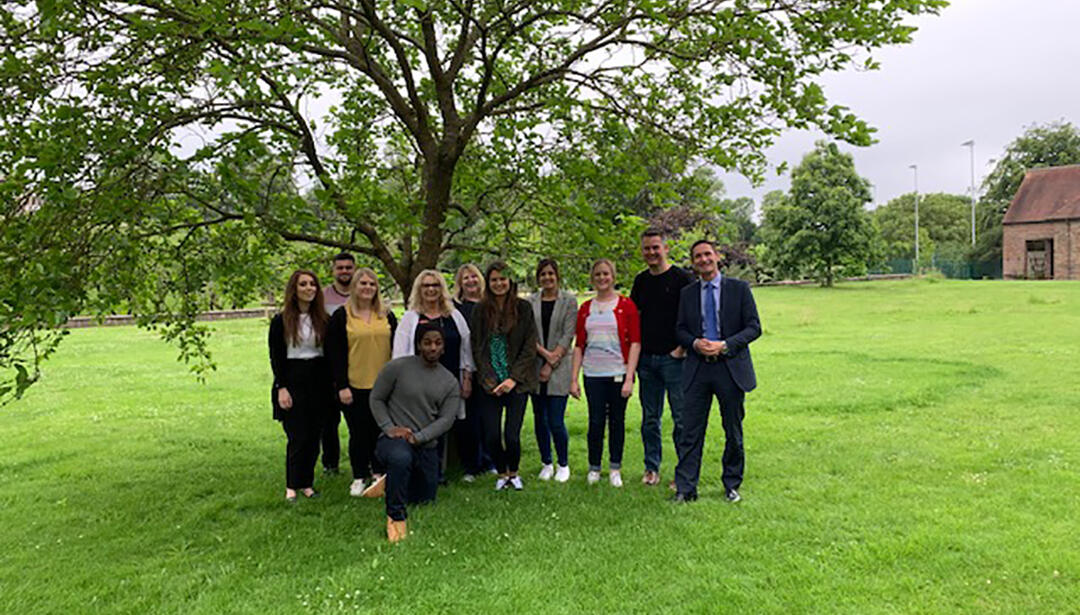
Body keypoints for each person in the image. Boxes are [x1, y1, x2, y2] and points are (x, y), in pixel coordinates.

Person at [673, 239, 761, 503]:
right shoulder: (687, 293)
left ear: (717, 256)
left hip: (730, 368)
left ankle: (732, 484)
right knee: (690, 431)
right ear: (693, 262)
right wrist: (695, 343)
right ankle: (686, 489)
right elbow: (679, 329)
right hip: (698, 369)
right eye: (697, 256)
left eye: (707, 254)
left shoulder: (739, 289)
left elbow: (754, 327)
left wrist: (725, 345)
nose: (703, 260)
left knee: (732, 429)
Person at [370, 323, 461, 543]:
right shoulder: (397, 368)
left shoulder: (449, 381)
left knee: (424, 499)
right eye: (427, 342)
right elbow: (376, 398)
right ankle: (396, 517)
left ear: (443, 348)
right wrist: (389, 428)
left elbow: (446, 420)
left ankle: (390, 481)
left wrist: (418, 437)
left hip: (425, 445)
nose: (432, 347)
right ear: (418, 344)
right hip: (394, 441)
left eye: (438, 343)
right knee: (401, 457)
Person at [392, 270, 473, 482]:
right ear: (419, 290)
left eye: (435, 285)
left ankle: (439, 471)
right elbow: (399, 354)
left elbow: (466, 349)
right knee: (424, 426)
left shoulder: (455, 316)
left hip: (450, 382)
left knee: (444, 424)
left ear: (442, 289)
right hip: (420, 383)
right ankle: (424, 472)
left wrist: (467, 378)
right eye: (426, 286)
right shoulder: (411, 319)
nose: (431, 290)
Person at [630, 230, 695, 487]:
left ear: (666, 249)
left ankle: (683, 472)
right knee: (649, 419)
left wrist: (681, 348)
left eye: (655, 248)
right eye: (646, 249)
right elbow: (635, 319)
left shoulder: (683, 279)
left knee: (681, 418)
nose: (651, 253)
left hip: (675, 360)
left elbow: (694, 316)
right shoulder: (641, 281)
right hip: (647, 360)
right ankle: (651, 468)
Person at [325, 268, 398, 497]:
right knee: (359, 433)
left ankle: (378, 474)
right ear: (354, 287)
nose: (367, 288)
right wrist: (342, 385)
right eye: (363, 284)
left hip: (384, 385)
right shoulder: (341, 316)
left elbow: (397, 349)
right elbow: (334, 353)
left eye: (372, 284)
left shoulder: (386, 314)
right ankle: (359, 476)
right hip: (354, 386)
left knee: (381, 431)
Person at [569, 259, 641, 488]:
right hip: (593, 374)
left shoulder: (626, 305)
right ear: (592, 278)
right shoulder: (585, 309)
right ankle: (594, 468)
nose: (602, 278)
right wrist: (574, 379)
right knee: (596, 422)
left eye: (606, 274)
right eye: (598, 274)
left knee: (617, 422)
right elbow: (579, 345)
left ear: (613, 276)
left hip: (618, 373)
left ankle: (615, 468)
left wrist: (629, 377)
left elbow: (636, 343)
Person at [470, 261, 539, 491]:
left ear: (510, 282)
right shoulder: (480, 310)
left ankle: (514, 473)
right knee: (491, 434)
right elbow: (477, 347)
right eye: (494, 280)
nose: (499, 284)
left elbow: (530, 347)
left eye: (503, 279)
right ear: (488, 284)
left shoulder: (523, 308)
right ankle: (501, 473)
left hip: (517, 383)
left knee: (511, 435)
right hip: (489, 382)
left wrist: (512, 379)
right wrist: (489, 380)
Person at [268, 270, 332, 502]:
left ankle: (307, 483)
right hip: (293, 379)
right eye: (303, 284)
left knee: (315, 435)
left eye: (313, 284)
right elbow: (276, 356)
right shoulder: (281, 320)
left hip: (318, 379)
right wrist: (281, 387)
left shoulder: (323, 319)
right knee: (298, 436)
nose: (309, 288)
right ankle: (291, 485)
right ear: (294, 289)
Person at [527, 259, 577, 482]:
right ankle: (546, 462)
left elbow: (568, 335)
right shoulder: (530, 302)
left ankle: (563, 464)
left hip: (560, 367)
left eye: (551, 274)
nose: (547, 278)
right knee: (540, 419)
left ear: (557, 275)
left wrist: (551, 361)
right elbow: (528, 335)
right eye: (543, 274)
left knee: (556, 420)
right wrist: (544, 357)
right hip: (535, 366)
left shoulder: (569, 301)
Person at [452, 263, 492, 480]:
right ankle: (471, 465)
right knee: (467, 420)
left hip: (490, 370)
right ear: (460, 283)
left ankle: (490, 460)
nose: (470, 281)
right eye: (465, 278)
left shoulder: (490, 305)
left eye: (474, 277)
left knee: (489, 419)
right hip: (466, 370)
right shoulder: (456, 308)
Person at [318, 251, 356, 476]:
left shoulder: (362, 294)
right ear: (333, 270)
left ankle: (363, 461)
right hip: (327, 367)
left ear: (354, 269)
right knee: (328, 420)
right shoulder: (323, 297)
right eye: (340, 268)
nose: (344, 272)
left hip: (356, 364)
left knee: (357, 421)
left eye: (348, 268)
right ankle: (330, 464)